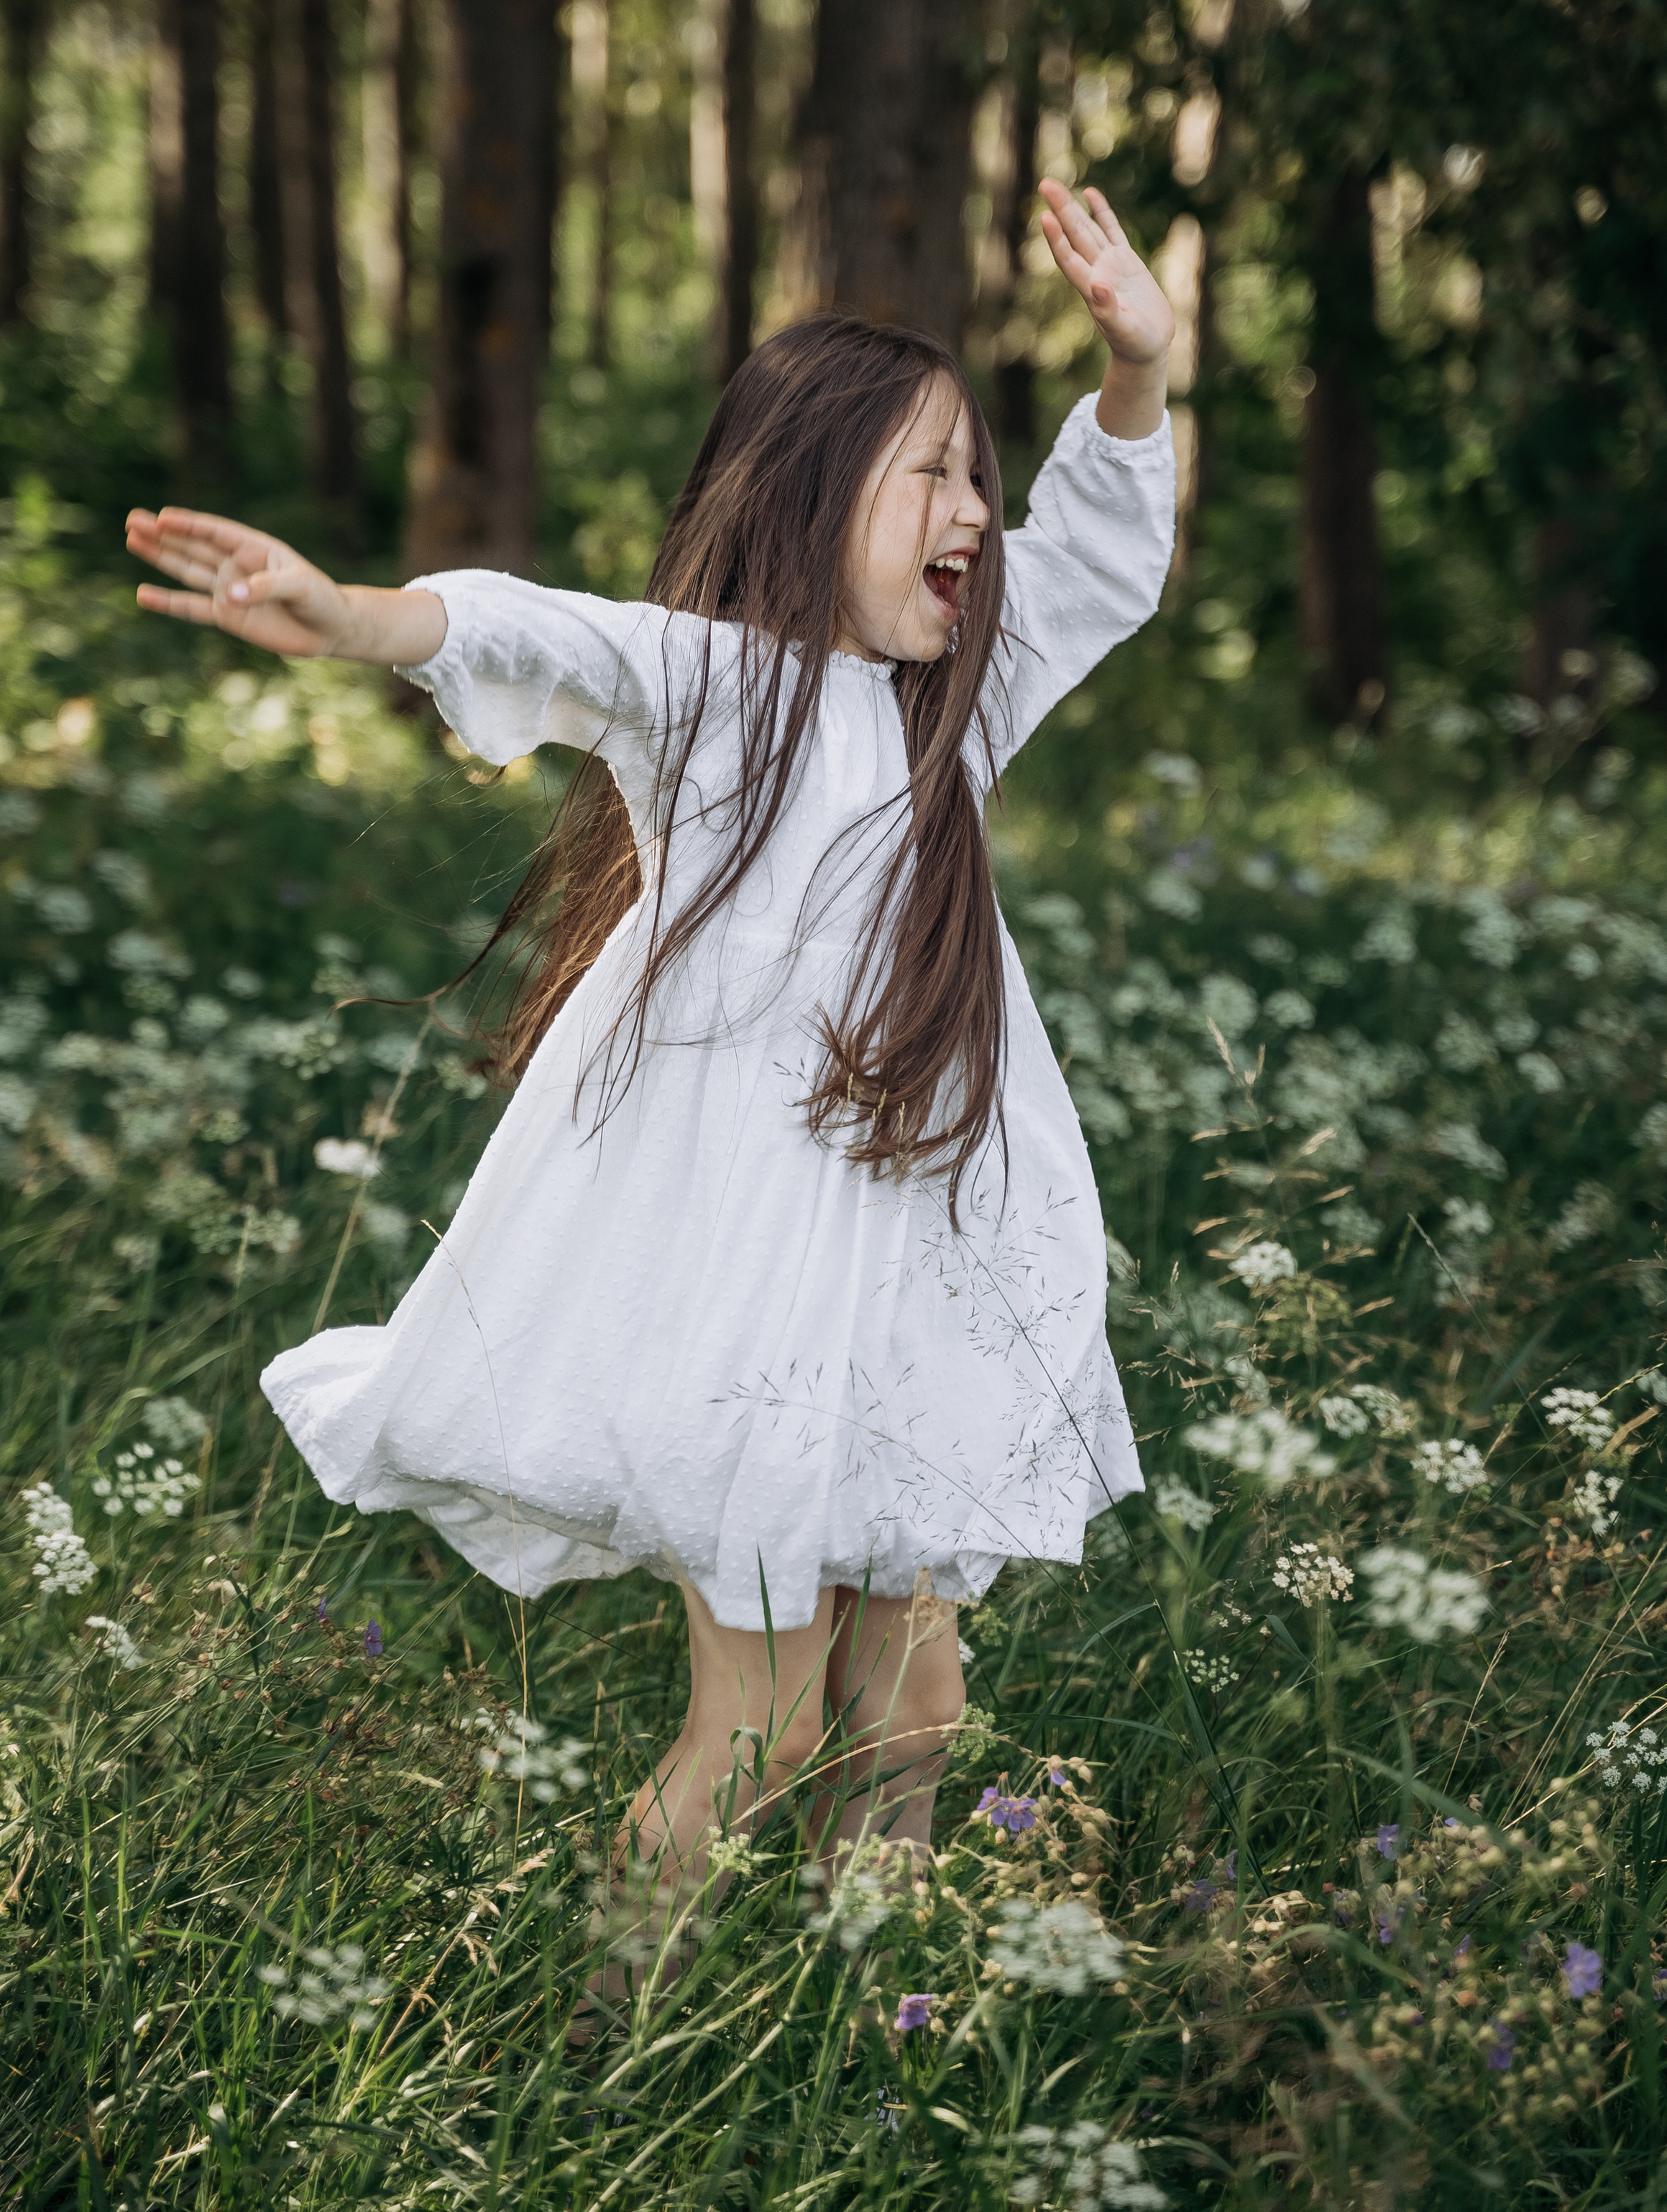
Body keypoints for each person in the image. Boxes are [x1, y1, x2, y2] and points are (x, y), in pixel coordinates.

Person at [126, 177, 1175, 2011]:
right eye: (928, 477)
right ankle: (610, 2039)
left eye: (978, 484)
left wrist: (1138, 365)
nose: (973, 518)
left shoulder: (961, 709)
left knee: (914, 1705)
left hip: (916, 1286)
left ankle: (870, 2031)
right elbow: (538, 636)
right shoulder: (720, 689)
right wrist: (358, 615)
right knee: (754, 1737)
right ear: (802, 493)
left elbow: (1097, 556)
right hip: (756, 1303)